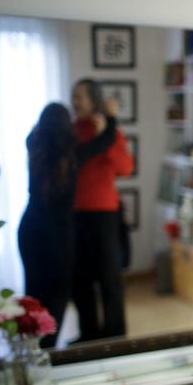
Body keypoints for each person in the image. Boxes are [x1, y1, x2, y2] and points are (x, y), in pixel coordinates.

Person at [18, 102, 119, 348]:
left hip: (30, 227)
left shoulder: (34, 145)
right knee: (60, 292)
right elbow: (105, 140)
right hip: (58, 232)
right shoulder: (72, 154)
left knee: (34, 291)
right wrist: (111, 118)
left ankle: (32, 345)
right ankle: (48, 346)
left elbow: (35, 133)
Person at [70, 78, 133, 341]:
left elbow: (125, 168)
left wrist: (106, 134)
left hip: (105, 212)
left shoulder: (111, 132)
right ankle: (88, 333)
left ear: (93, 99)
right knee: (80, 277)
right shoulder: (71, 131)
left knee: (109, 276)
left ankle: (115, 334)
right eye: (74, 96)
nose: (75, 102)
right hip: (75, 212)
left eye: (80, 96)